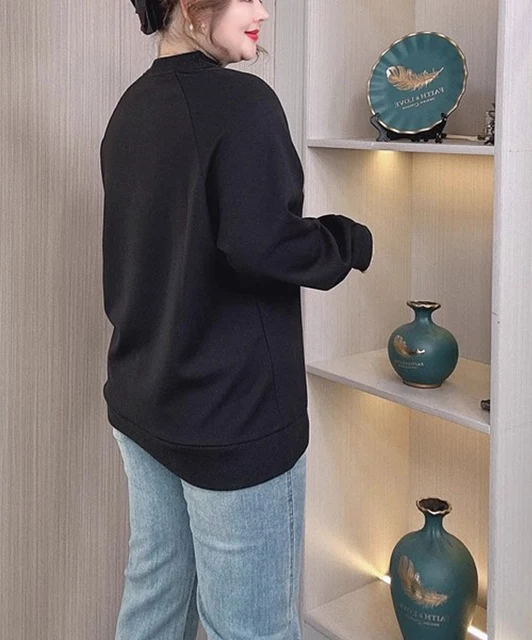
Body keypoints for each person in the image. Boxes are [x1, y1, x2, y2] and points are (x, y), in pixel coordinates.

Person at [99, 0, 374, 637]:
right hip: (234, 419)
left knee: (153, 606)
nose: (264, 11)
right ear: (192, 6)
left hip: (144, 403)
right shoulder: (244, 103)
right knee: (251, 628)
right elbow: (263, 243)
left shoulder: (128, 112)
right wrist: (348, 239)